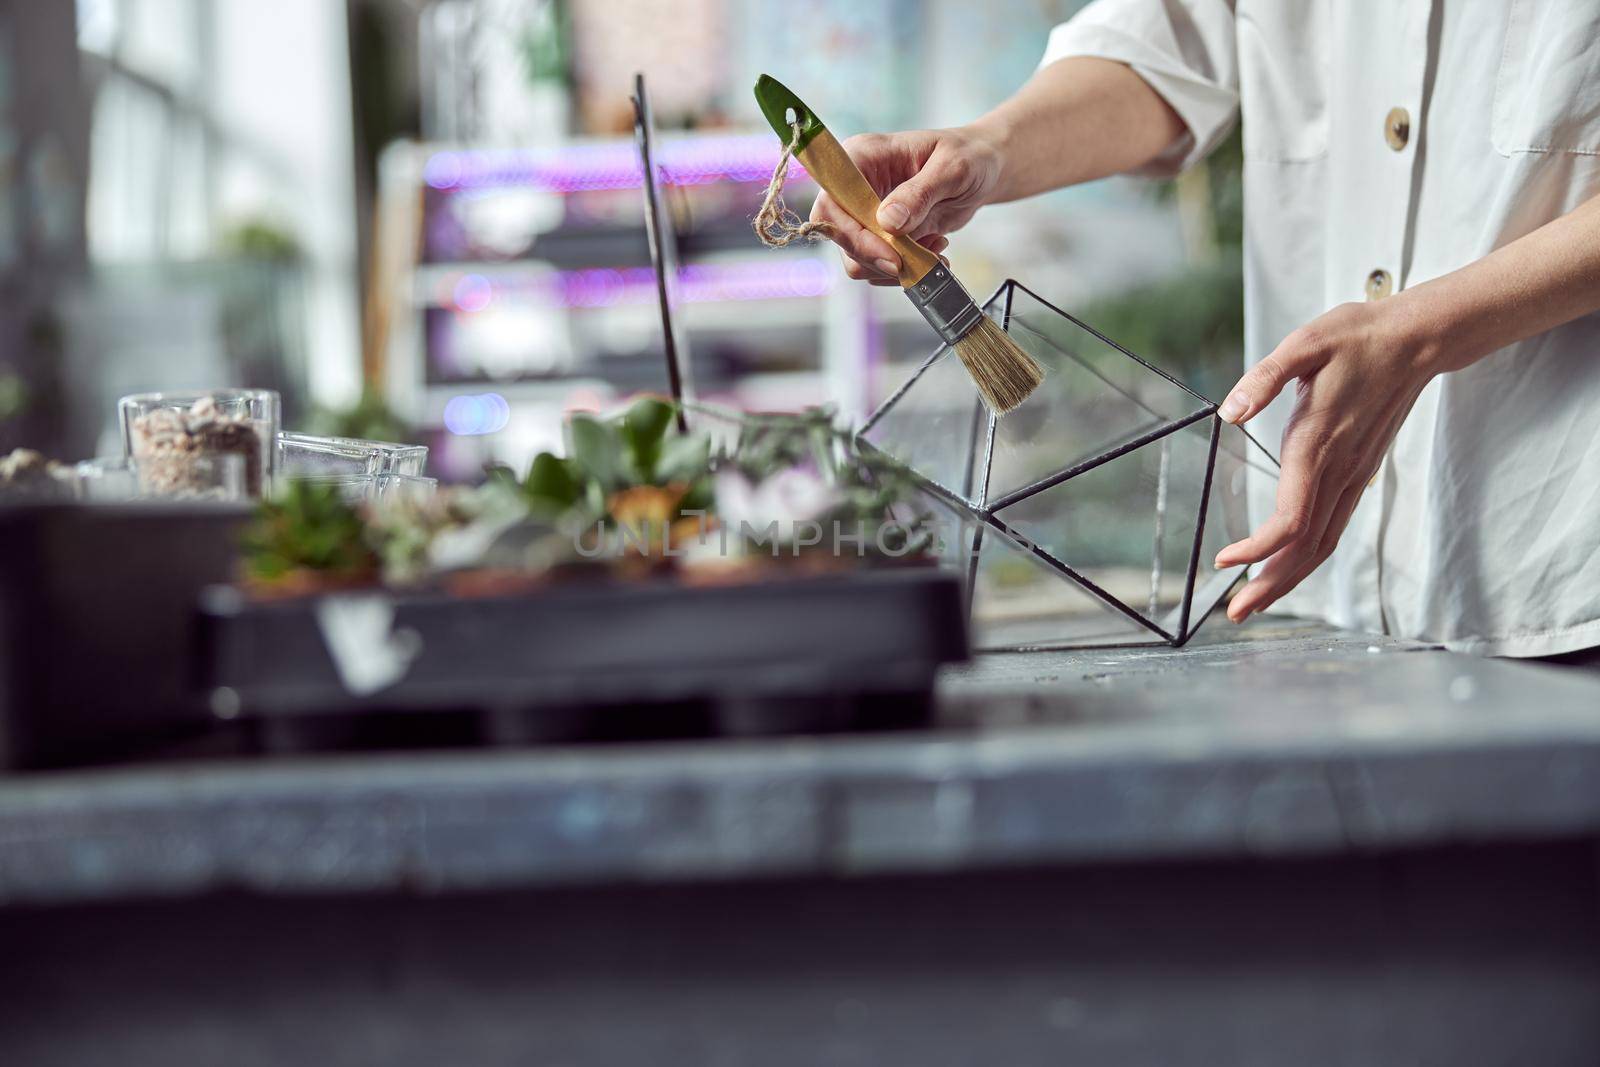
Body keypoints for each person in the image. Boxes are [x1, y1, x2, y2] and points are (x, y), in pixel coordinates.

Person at [811, 2, 1600, 658]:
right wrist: (987, 149)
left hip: (1564, 553)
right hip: (1320, 595)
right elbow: (1171, 43)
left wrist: (1426, 331)